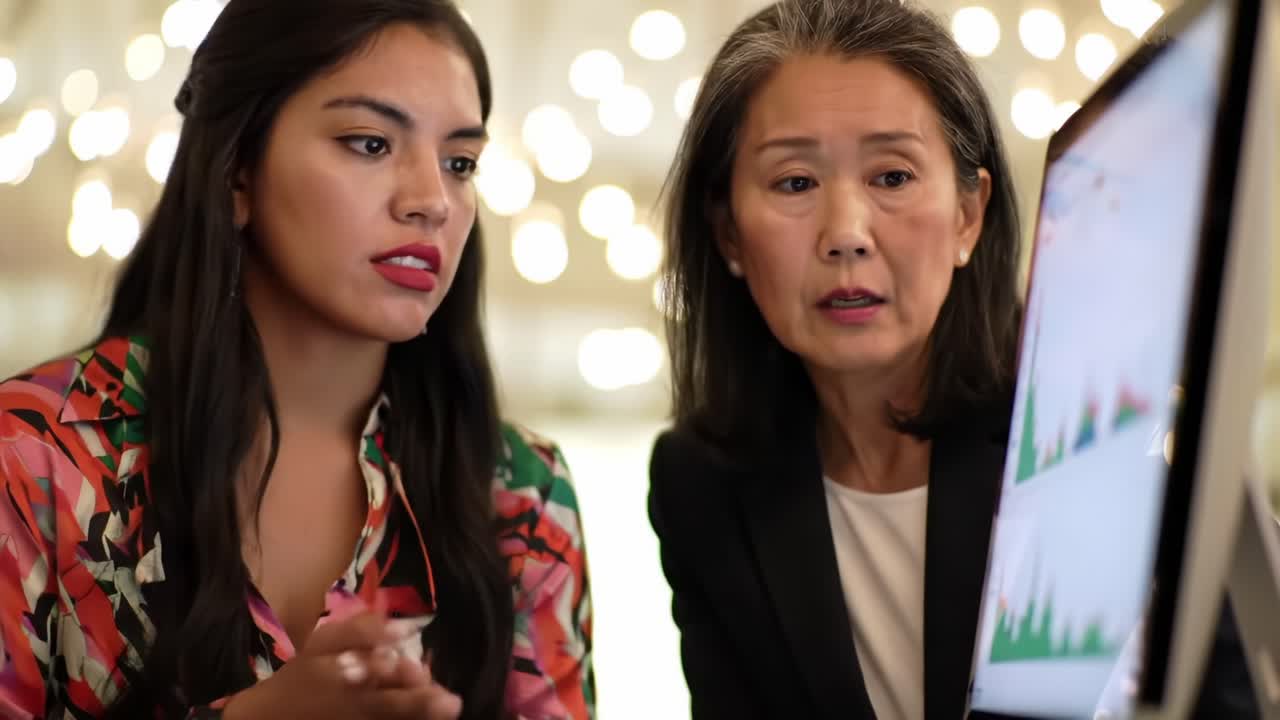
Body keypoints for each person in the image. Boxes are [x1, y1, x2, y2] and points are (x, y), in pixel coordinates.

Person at [647, 0, 1256, 718]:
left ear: (969, 215)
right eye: (795, 183)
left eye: (893, 177)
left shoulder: (1086, 434)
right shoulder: (701, 483)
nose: (846, 234)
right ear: (728, 236)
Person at [0, 1, 593, 719]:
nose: (432, 200)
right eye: (370, 143)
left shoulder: (520, 495)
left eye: (460, 162)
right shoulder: (34, 459)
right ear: (237, 172)